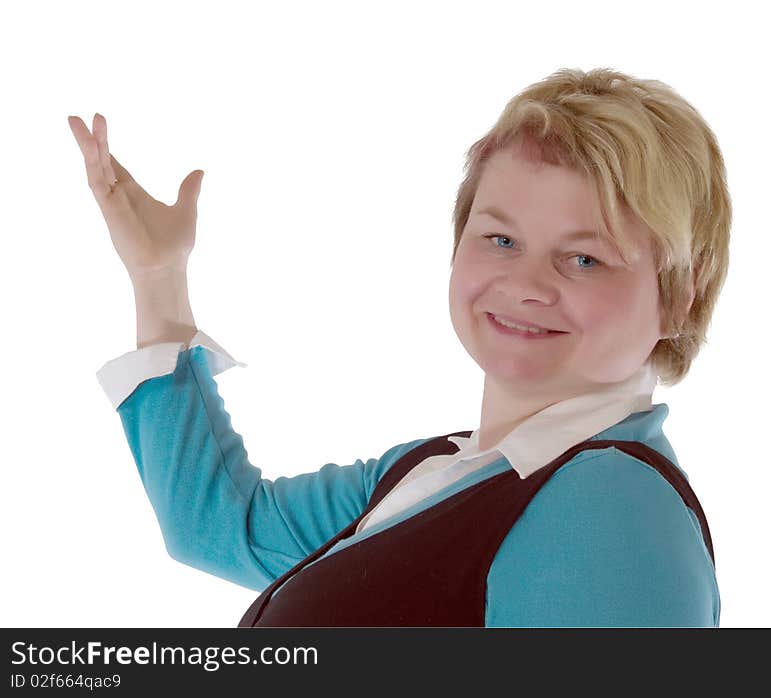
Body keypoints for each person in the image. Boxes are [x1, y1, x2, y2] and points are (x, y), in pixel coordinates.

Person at [70, 66, 731, 627]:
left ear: (680, 298)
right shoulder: (431, 473)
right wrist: (159, 279)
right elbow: (219, 524)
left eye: (584, 258)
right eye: (499, 240)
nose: (525, 284)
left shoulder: (613, 508)